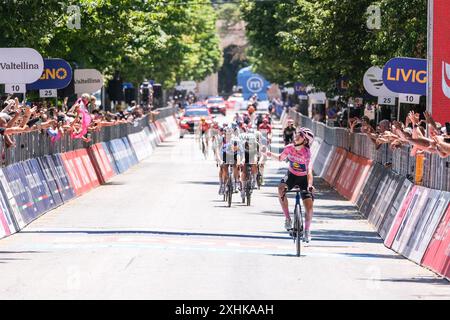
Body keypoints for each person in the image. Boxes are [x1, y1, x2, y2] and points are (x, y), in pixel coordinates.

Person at [265, 127, 315, 243]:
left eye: (300, 135)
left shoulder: (307, 153)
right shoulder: (289, 148)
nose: (296, 136)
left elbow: (309, 172)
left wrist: (310, 186)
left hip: (304, 179)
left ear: (305, 141)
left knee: (309, 206)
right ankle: (287, 219)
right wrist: (268, 153)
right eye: (297, 134)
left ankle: (307, 231)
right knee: (281, 188)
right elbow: (280, 158)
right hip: (291, 176)